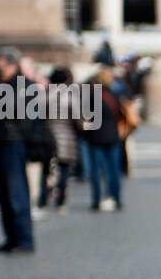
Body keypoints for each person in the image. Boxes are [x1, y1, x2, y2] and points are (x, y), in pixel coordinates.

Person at [0, 48, 35, 253]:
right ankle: (11, 237)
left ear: (11, 64)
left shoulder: (23, 85)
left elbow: (17, 112)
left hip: (14, 142)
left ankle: (24, 239)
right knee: (3, 194)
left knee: (16, 192)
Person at [39, 66, 81, 215]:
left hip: (48, 137)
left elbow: (39, 117)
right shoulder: (71, 96)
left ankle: (42, 200)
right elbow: (77, 120)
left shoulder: (45, 95)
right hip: (67, 137)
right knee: (64, 171)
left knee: (45, 171)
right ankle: (60, 202)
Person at [87, 68, 124, 210]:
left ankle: (96, 199)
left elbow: (87, 116)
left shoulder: (92, 95)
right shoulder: (115, 95)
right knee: (114, 169)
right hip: (113, 136)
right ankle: (116, 198)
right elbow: (121, 114)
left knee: (96, 171)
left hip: (96, 136)